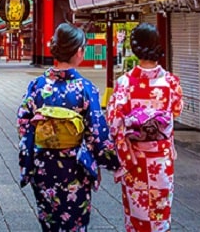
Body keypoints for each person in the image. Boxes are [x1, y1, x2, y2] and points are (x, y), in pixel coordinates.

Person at [17, 23, 119, 232]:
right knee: (75, 222)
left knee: (50, 221)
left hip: (43, 163)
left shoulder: (37, 85)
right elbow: (96, 132)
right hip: (74, 166)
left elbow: (23, 122)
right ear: (78, 52)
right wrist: (112, 162)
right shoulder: (85, 88)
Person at [106, 23, 183, 232]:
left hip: (135, 158)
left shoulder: (124, 83)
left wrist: (123, 148)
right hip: (161, 158)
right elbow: (176, 110)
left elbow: (114, 122)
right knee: (160, 212)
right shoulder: (171, 82)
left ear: (134, 47)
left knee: (136, 213)